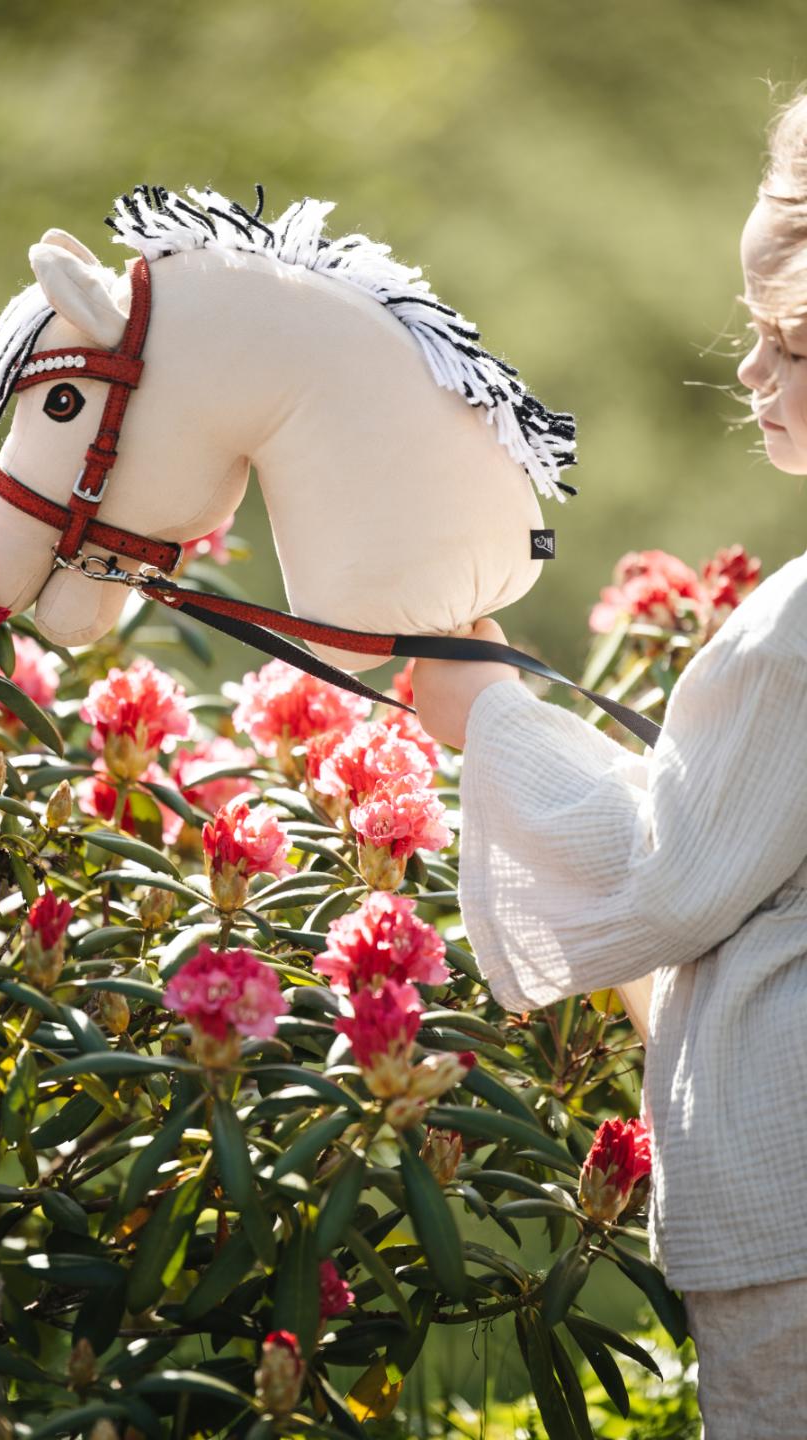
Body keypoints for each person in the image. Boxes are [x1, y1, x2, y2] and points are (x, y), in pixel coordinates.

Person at [412, 92, 807, 1439]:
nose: (751, 374)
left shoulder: (800, 630)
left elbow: (669, 879)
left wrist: (490, 715)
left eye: (786, 342)